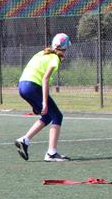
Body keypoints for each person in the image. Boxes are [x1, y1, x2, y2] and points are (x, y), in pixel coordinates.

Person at [15, 33, 71, 162]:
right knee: (57, 116)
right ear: (63, 48)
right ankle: (51, 153)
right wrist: (44, 102)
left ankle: (24, 140)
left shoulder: (42, 53)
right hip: (33, 86)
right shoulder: (55, 58)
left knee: (47, 116)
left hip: (22, 86)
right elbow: (45, 79)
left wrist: (34, 103)